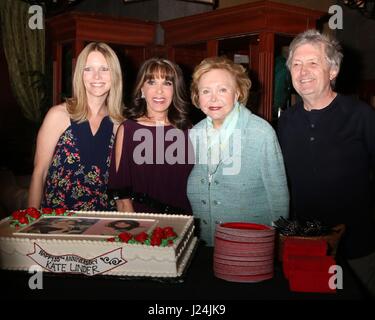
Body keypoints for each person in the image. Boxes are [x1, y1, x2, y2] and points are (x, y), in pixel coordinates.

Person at [277, 29, 375, 298]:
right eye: (296, 64)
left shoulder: (361, 116)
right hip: (303, 246)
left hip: (356, 248)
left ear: (333, 71)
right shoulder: (285, 121)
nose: (303, 71)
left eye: (313, 63)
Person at [187, 56, 289, 246]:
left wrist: (277, 243)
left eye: (222, 90)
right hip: (202, 245)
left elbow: (278, 195)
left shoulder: (261, 132)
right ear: (197, 96)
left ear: (238, 93)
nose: (213, 98)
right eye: (205, 91)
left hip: (248, 246)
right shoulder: (194, 133)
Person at [27, 42, 124, 211]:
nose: (96, 76)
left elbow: (122, 189)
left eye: (104, 69)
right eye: (88, 69)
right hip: (57, 225)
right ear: (80, 74)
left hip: (104, 226)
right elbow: (39, 173)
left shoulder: (120, 125)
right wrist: (31, 223)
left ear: (114, 74)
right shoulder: (58, 115)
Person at [108, 58, 193, 214]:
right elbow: (122, 198)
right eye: (152, 82)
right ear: (142, 89)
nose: (159, 91)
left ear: (175, 90)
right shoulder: (128, 130)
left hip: (183, 222)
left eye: (167, 83)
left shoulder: (188, 131)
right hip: (143, 225)